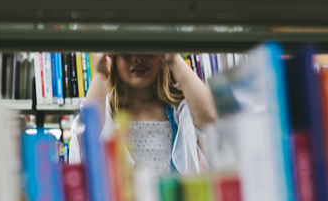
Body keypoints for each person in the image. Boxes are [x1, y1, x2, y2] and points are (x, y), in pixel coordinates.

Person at [69, 53, 217, 174]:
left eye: (146, 48)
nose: (137, 58)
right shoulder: (105, 109)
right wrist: (100, 74)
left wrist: (174, 59)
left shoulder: (181, 108)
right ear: (113, 59)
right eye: (125, 53)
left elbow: (209, 117)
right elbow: (85, 136)